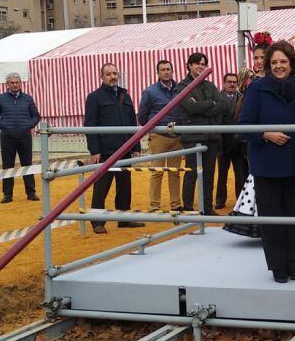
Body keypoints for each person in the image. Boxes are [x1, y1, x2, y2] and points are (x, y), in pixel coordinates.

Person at [238, 41, 295, 282]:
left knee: (291, 216)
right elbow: (243, 126)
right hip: (266, 164)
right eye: (274, 62)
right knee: (272, 218)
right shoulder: (256, 89)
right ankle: (277, 266)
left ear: (291, 63)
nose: (279, 66)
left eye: (283, 62)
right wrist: (266, 134)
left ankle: (292, 264)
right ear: (268, 65)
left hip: (294, 162)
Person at [83, 63, 146, 234]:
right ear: (101, 77)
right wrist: (94, 151)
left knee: (125, 187)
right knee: (101, 187)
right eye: (108, 74)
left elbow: (133, 123)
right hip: (106, 151)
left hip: (125, 149)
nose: (113, 77)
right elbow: (90, 125)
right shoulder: (94, 97)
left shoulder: (125, 95)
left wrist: (136, 146)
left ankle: (124, 219)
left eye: (115, 73)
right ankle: (97, 221)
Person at [179, 52, 230, 215]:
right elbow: (190, 107)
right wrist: (210, 104)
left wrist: (203, 107)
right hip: (192, 136)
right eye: (197, 64)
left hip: (211, 136)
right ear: (189, 65)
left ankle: (207, 207)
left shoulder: (210, 85)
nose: (200, 66)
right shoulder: (182, 86)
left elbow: (223, 105)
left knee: (209, 174)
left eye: (203, 64)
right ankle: (187, 207)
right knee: (192, 173)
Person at [138, 60, 184, 212]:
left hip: (177, 136)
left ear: (173, 71)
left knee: (175, 172)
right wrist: (154, 128)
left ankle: (176, 204)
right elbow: (142, 117)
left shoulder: (180, 89)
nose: (166, 72)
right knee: (156, 171)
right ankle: (154, 205)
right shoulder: (150, 92)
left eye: (168, 69)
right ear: (157, 73)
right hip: (158, 136)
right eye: (163, 69)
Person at [0, 72, 41, 204]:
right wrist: (3, 126)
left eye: (17, 82)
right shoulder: (0, 99)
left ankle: (31, 192)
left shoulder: (28, 99)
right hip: (7, 137)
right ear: (7, 84)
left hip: (25, 137)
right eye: (12, 82)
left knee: (27, 164)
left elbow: (36, 116)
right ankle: (7, 195)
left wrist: (28, 125)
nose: (15, 85)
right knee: (7, 166)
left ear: (20, 84)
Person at [215, 71, 247, 209]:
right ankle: (220, 201)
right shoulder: (217, 98)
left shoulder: (242, 97)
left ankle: (240, 201)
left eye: (234, 82)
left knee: (240, 175)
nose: (232, 84)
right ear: (224, 83)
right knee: (222, 175)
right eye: (229, 82)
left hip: (238, 142)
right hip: (222, 142)